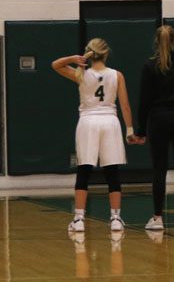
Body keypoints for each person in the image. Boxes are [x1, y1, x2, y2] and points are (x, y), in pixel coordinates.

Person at [52, 38, 137, 232]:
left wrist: (73, 58)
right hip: (110, 123)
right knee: (112, 172)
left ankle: (79, 219)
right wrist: (130, 130)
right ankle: (115, 218)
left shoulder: (81, 74)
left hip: (88, 123)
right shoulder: (117, 75)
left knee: (84, 171)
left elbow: (55, 65)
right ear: (106, 54)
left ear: (88, 54)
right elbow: (124, 104)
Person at [136, 25, 174, 231]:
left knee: (159, 170)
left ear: (156, 41)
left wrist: (140, 130)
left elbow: (144, 101)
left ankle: (157, 217)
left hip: (159, 119)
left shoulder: (149, 65)